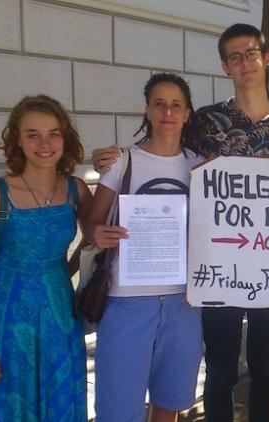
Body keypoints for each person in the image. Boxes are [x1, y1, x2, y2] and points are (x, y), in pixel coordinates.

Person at [92, 24, 269, 422]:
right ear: (225, 66)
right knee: (221, 369)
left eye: (251, 52)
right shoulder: (207, 121)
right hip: (216, 268)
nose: (244, 61)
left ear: (266, 58)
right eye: (234, 56)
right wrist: (108, 162)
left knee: (265, 367)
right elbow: (163, 145)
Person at [0, 95, 90, 420]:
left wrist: (66, 269)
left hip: (60, 319)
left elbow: (99, 238)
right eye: (32, 134)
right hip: (7, 324)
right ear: (17, 139)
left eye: (53, 133)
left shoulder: (76, 190)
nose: (44, 143)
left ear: (65, 138)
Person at [84, 73, 204, 422]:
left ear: (187, 114)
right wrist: (98, 233)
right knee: (118, 410)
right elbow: (91, 222)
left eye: (176, 105)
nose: (168, 111)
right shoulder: (122, 161)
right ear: (147, 110)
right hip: (127, 302)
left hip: (183, 302)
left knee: (169, 403)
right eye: (159, 104)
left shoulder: (200, 166)